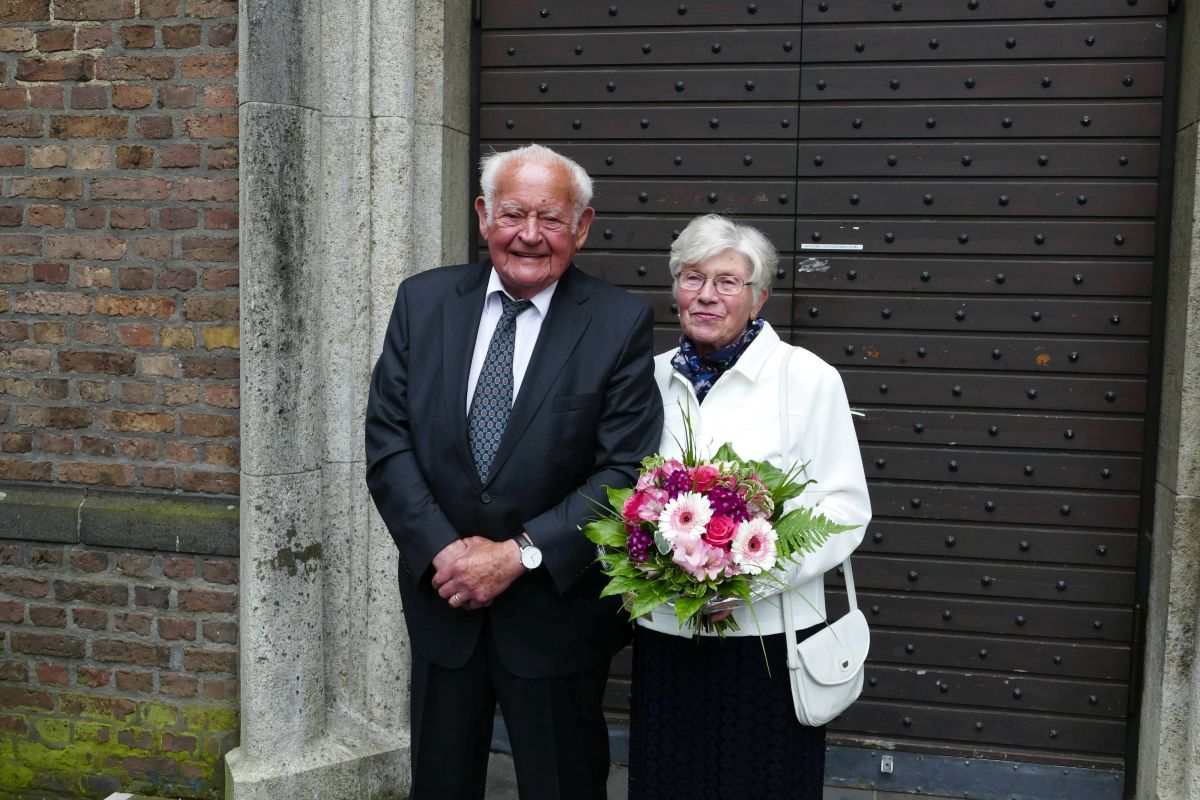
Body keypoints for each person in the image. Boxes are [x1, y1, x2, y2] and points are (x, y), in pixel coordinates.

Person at [365, 143, 663, 800]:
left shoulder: (618, 324)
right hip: (444, 602)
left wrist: (518, 555)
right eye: (513, 214)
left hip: (556, 617)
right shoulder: (422, 302)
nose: (529, 234)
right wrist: (444, 552)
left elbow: (624, 471)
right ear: (483, 216)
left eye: (550, 218)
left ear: (582, 226)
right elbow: (388, 441)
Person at [628, 214, 872, 800]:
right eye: (692, 278)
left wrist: (749, 581)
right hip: (668, 635)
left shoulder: (807, 379)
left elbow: (844, 508)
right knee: (669, 783)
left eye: (727, 281)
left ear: (759, 297)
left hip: (769, 641)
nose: (706, 295)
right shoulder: (649, 379)